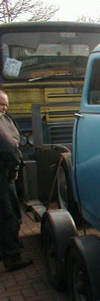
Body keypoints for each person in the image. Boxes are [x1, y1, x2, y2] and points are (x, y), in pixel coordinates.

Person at [0, 89, 32, 271]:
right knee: (9, 214)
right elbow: (10, 147)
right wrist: (15, 168)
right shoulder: (1, 120)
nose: (4, 108)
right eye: (1, 104)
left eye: (5, 105)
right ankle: (12, 256)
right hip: (3, 175)